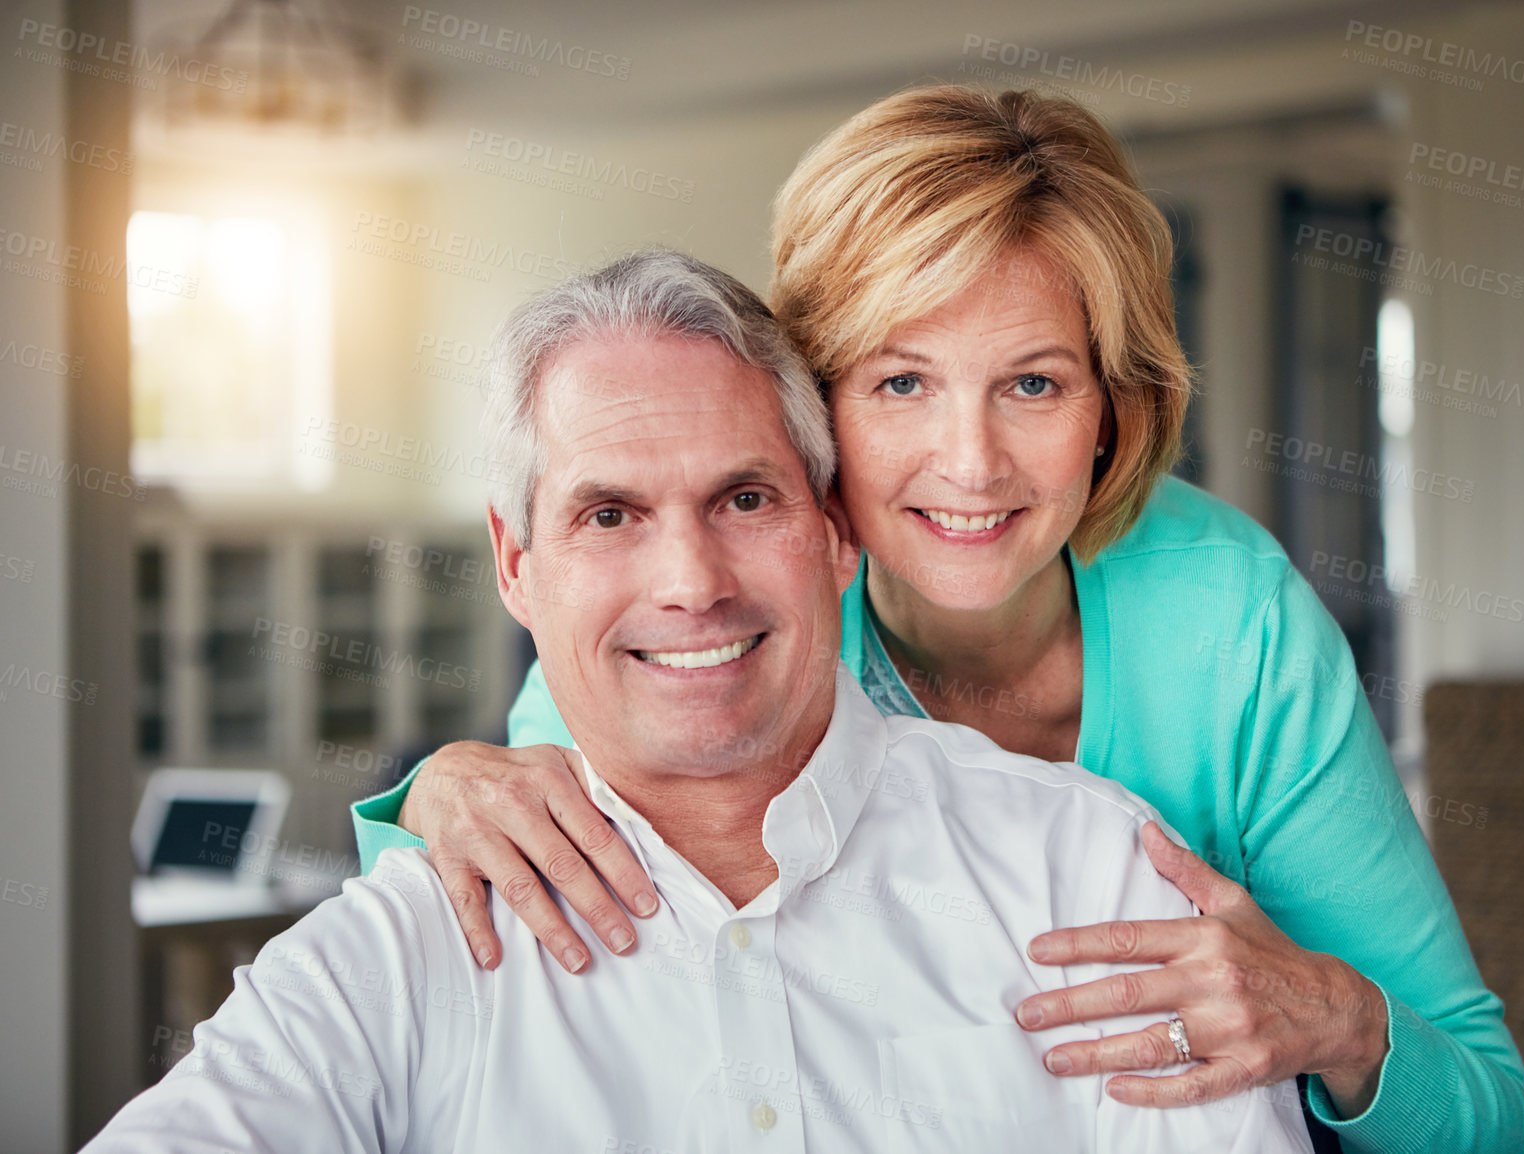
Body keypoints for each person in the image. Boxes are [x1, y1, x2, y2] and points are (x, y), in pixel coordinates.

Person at [354, 88, 1524, 1152]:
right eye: (900, 380)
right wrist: (441, 794)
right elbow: (458, 916)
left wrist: (1339, 1021)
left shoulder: (1230, 618)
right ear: (812, 405)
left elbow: (1491, 1113)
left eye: (1033, 382)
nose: (970, 465)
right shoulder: (723, 618)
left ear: (1112, 408)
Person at [86, 252, 1311, 1153]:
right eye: (608, 513)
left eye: (743, 499)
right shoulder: (402, 950)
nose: (690, 584)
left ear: (835, 533)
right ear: (516, 564)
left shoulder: (1093, 877)